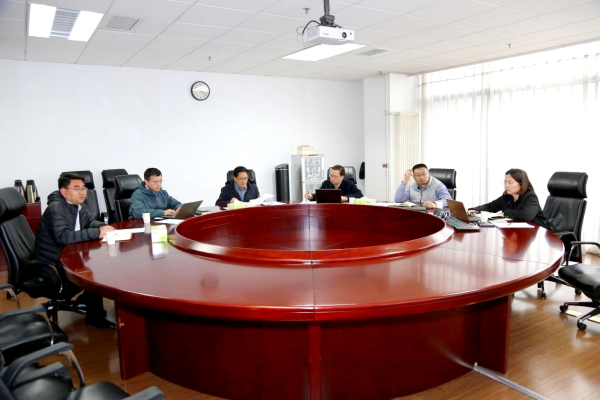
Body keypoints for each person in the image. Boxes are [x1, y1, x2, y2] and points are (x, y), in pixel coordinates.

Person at [35, 172, 116, 329]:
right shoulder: (56, 208)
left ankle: (87, 301)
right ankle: (95, 317)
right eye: (76, 188)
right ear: (64, 192)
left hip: (66, 257)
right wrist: (97, 233)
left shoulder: (77, 206)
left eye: (83, 188)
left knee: (99, 266)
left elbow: (89, 221)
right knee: (96, 273)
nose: (82, 192)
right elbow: (63, 236)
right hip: (51, 266)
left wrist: (102, 226)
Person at [467, 168, 554, 230]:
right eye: (505, 182)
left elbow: (527, 215)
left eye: (510, 182)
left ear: (521, 183)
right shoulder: (507, 196)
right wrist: (473, 210)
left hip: (538, 231)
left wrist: (505, 213)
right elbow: (490, 207)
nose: (506, 185)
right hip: (518, 231)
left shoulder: (530, 197)